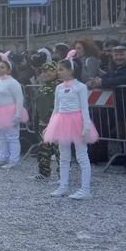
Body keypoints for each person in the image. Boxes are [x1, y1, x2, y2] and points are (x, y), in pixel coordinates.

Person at [44, 52, 98, 200]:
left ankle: (85, 189)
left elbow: (84, 108)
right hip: (61, 122)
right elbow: (56, 108)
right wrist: (51, 125)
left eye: (61, 69)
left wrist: (86, 126)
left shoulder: (80, 87)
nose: (58, 72)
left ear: (71, 70)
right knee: (64, 156)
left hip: (76, 122)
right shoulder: (59, 88)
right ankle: (63, 185)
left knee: (82, 155)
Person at [0, 52, 28, 169]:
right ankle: (2, 157)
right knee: (2, 137)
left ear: (9, 70)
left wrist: (18, 115)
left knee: (12, 137)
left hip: (9, 112)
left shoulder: (13, 83)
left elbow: (19, 99)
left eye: (2, 67)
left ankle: (14, 160)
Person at [31, 63, 60, 181]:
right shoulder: (42, 87)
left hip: (56, 122)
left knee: (59, 150)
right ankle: (43, 172)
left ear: (56, 72)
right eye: (43, 72)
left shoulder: (59, 87)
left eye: (48, 71)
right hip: (43, 123)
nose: (45, 74)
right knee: (43, 149)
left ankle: (63, 175)